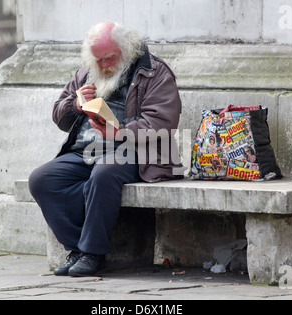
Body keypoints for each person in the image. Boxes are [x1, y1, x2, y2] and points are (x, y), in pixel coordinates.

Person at [28, 22, 183, 277]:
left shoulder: (154, 72)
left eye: (109, 57)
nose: (103, 65)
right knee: (42, 179)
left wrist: (120, 131)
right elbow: (58, 114)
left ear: (127, 48)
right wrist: (76, 105)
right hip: (84, 152)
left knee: (104, 172)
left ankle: (93, 254)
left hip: (139, 152)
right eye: (97, 59)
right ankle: (76, 249)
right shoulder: (87, 72)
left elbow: (163, 123)